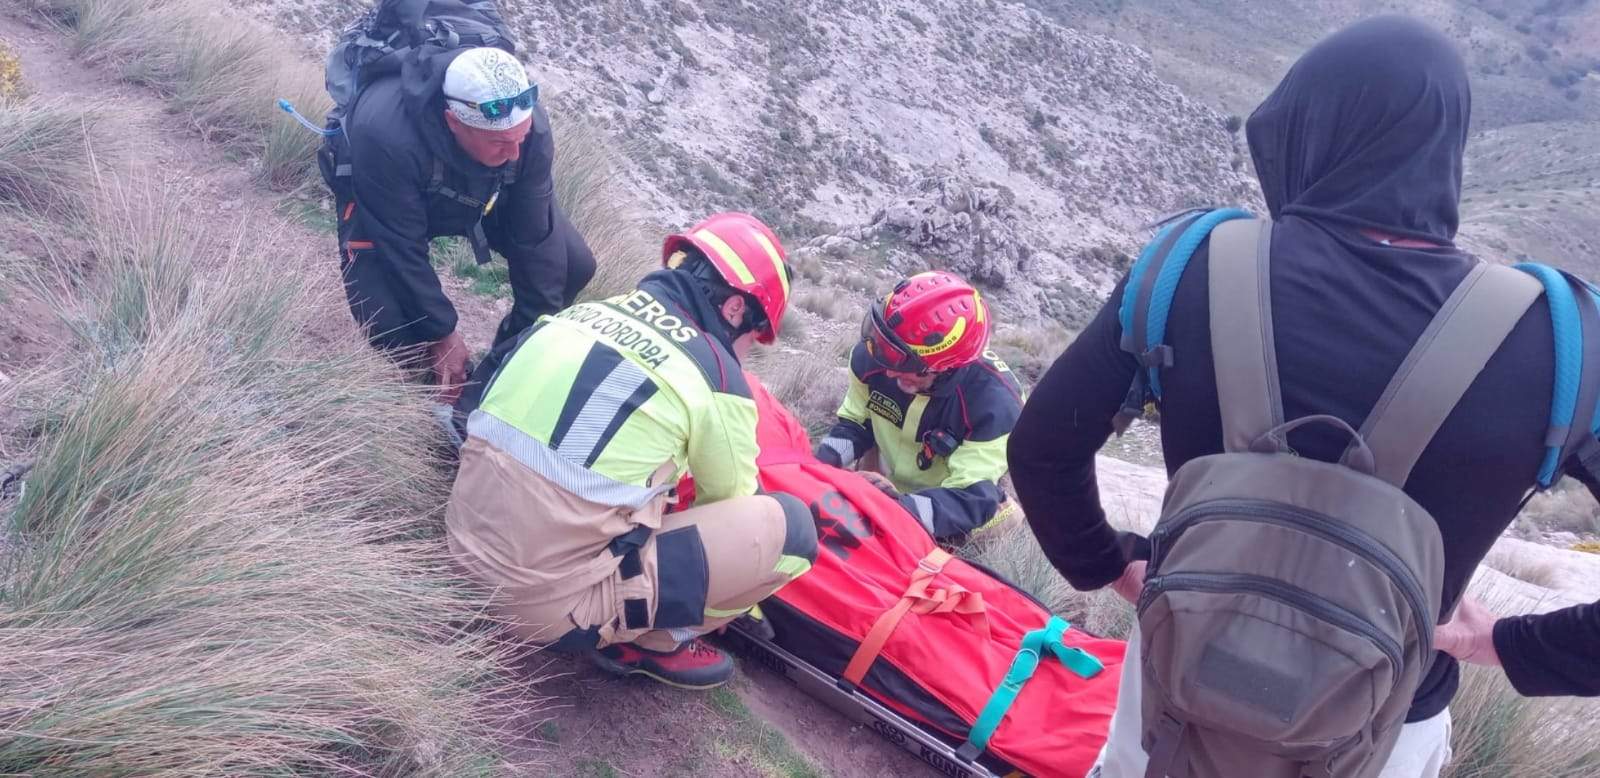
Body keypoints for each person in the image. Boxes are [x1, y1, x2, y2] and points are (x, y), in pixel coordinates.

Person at [1008, 16, 1599, 778]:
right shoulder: (1560, 342)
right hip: (1388, 726)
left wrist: (1119, 568)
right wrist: (1504, 645)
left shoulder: (1192, 265)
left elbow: (1043, 448)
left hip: (1173, 689)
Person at [444, 212, 815, 690]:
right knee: (792, 531)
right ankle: (658, 641)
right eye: (752, 340)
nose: (746, 354)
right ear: (735, 311)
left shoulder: (578, 314)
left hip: (458, 547)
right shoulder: (717, 375)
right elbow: (734, 504)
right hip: (538, 606)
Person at [319, 44, 596, 404]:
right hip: (388, 197)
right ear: (454, 121)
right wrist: (441, 332)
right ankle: (432, 395)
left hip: (481, 191)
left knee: (572, 266)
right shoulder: (385, 132)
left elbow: (536, 241)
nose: (514, 153)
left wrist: (522, 349)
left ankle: (491, 381)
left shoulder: (530, 131)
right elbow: (400, 247)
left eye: (520, 138)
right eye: (500, 142)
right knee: (390, 322)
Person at [814, 271, 1025, 542]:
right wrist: (820, 465)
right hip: (882, 478)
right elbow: (856, 423)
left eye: (903, 363)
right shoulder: (871, 359)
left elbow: (969, 495)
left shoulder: (997, 405)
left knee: (998, 524)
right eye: (885, 347)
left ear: (945, 367)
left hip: (947, 500)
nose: (888, 371)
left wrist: (899, 511)